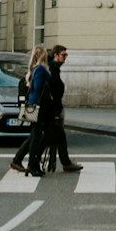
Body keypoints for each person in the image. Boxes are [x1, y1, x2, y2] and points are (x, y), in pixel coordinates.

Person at [10, 45, 53, 177]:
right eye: (46, 53)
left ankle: (30, 164)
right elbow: (37, 86)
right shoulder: (40, 69)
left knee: (35, 135)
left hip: (33, 105)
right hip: (37, 106)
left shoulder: (34, 68)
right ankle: (31, 165)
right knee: (36, 136)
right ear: (42, 55)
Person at [44, 44, 83, 173]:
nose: (65, 58)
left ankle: (65, 163)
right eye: (63, 55)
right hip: (52, 108)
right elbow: (54, 89)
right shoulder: (52, 68)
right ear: (55, 55)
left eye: (66, 55)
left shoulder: (54, 67)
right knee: (42, 137)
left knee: (56, 136)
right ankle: (18, 159)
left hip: (54, 108)